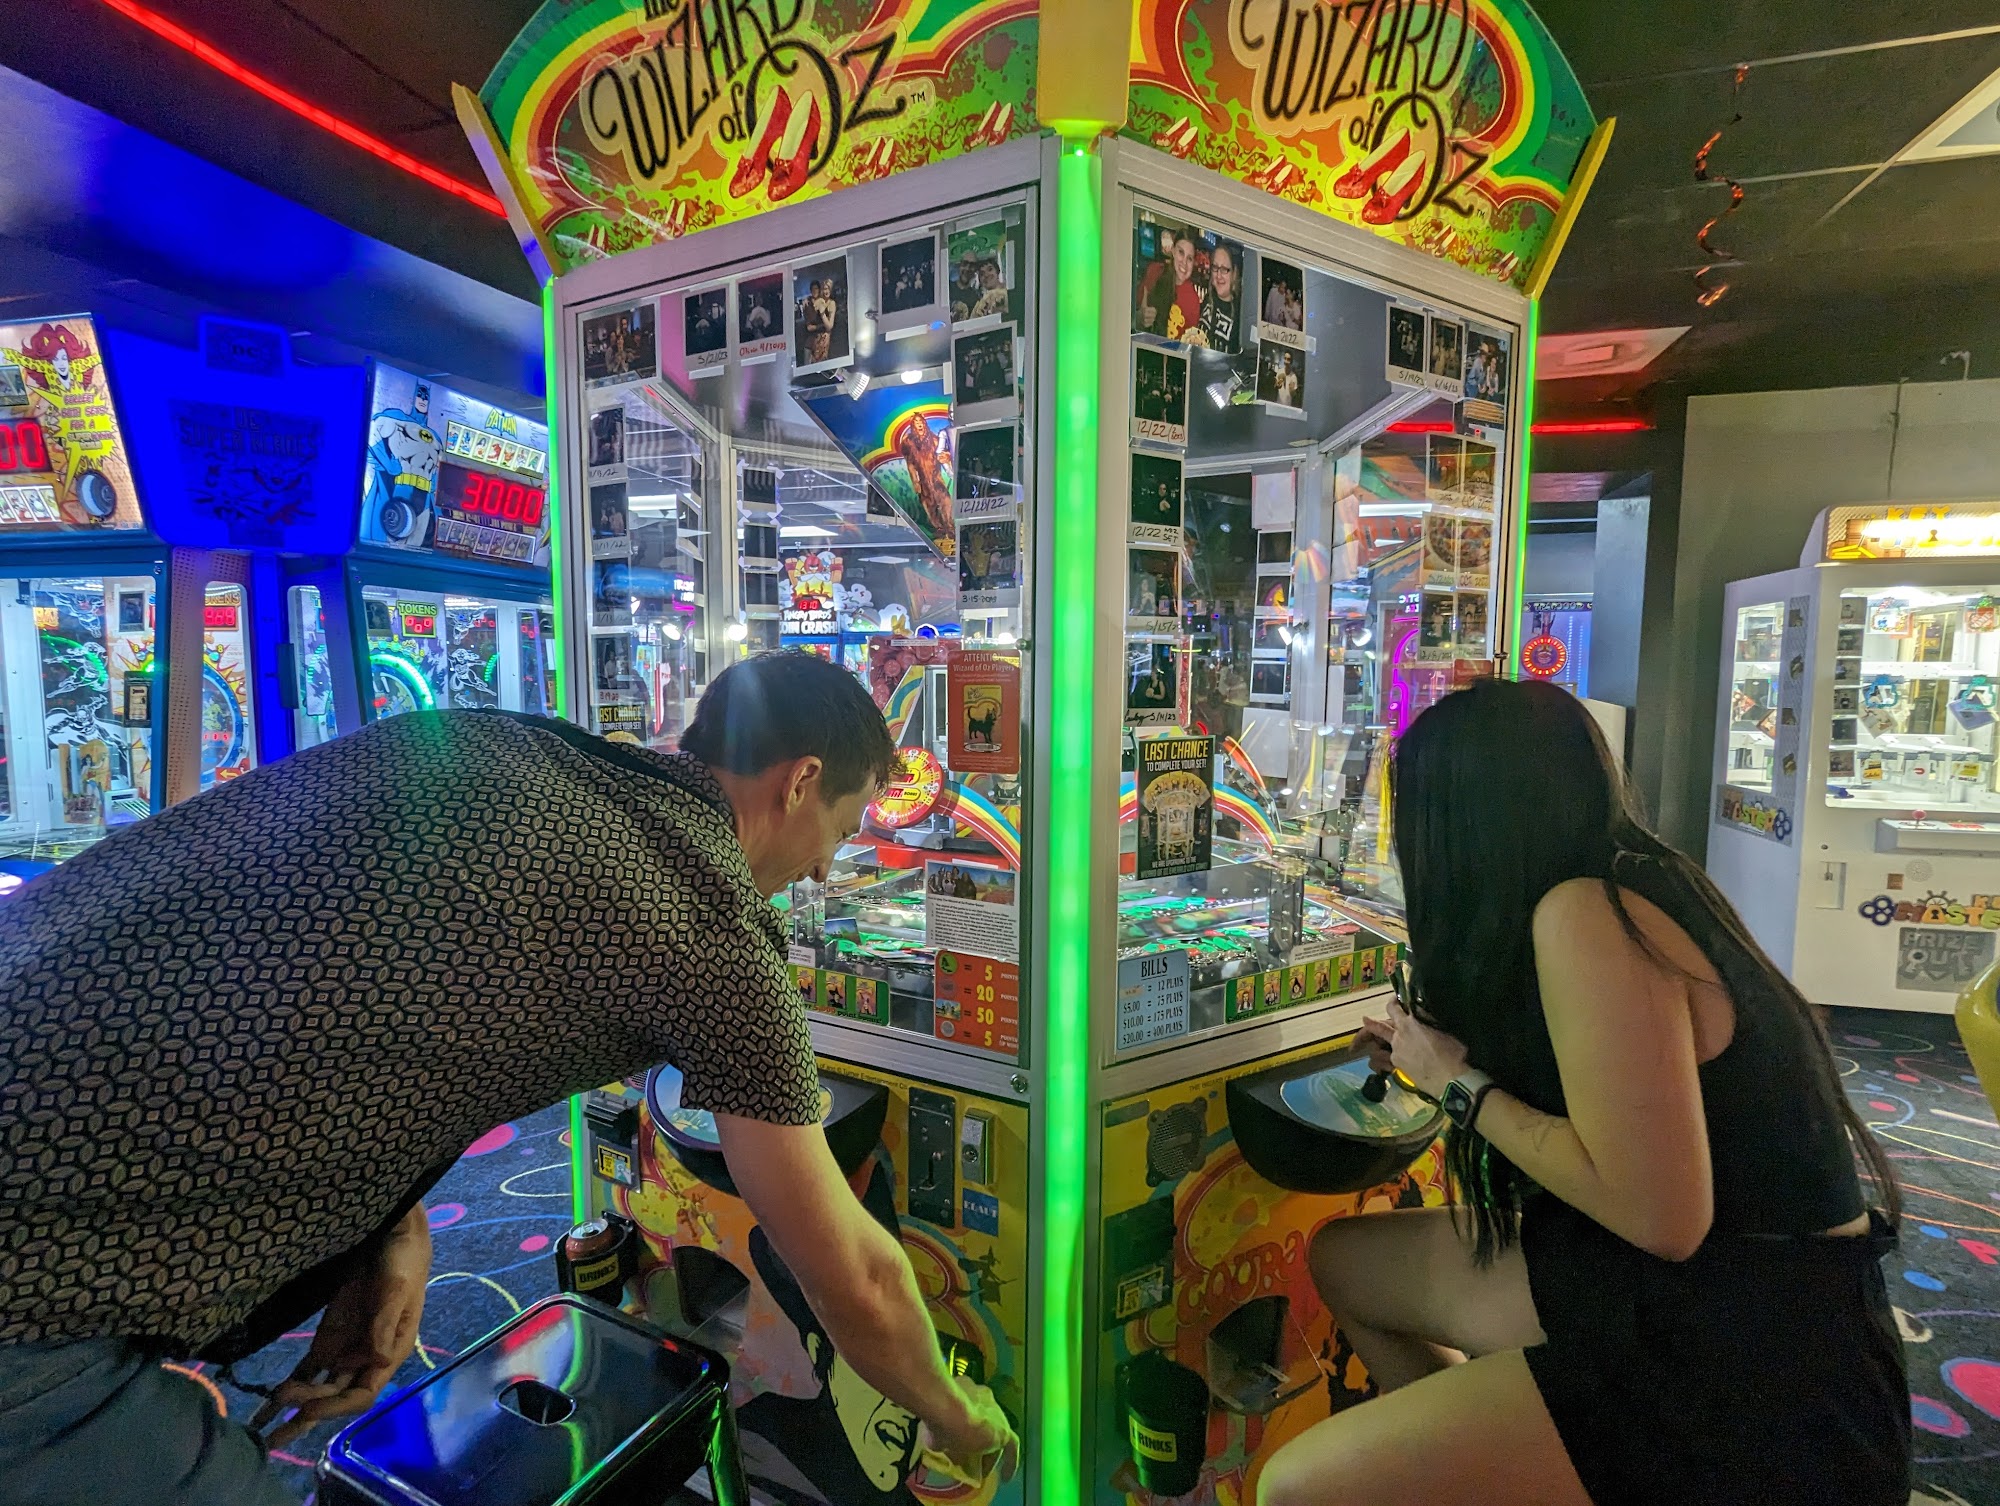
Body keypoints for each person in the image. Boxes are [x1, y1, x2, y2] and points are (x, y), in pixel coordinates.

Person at [0, 652, 1018, 1505]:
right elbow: (855, 1275)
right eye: (840, 830)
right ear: (799, 782)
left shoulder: (487, 741)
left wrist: (383, 1228)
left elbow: (330, 973)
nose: (827, 870)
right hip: (42, 1268)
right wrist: (958, 1415)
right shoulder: (709, 931)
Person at [1257, 679, 1909, 1506]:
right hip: (1707, 1290)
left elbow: (1663, 1219)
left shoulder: (1584, 916)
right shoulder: (1633, 875)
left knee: (1295, 1487)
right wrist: (1445, 1060)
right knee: (1348, 1263)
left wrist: (1457, 1084)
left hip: (1746, 1360)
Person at [1197, 241, 1242, 353]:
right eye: (1215, 267)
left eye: (1224, 269)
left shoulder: (1240, 314)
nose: (1218, 275)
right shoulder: (1208, 299)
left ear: (1234, 273)